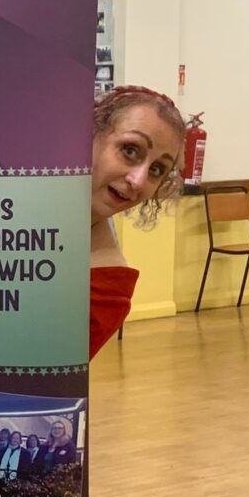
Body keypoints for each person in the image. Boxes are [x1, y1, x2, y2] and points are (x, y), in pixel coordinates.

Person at [90, 86, 185, 358]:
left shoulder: (106, 288)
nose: (139, 181)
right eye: (130, 150)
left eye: (157, 170)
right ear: (89, 135)